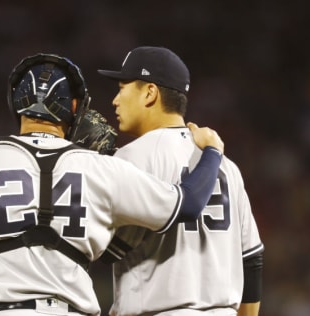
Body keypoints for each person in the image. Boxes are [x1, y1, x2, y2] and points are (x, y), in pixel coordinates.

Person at [0, 53, 224, 316]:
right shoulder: (103, 168)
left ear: (17, 104)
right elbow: (188, 204)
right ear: (73, 108)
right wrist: (211, 152)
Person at [97, 46, 264, 316]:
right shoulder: (226, 165)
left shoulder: (130, 158)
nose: (115, 100)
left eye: (122, 88)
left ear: (150, 93)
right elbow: (252, 261)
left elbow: (107, 251)